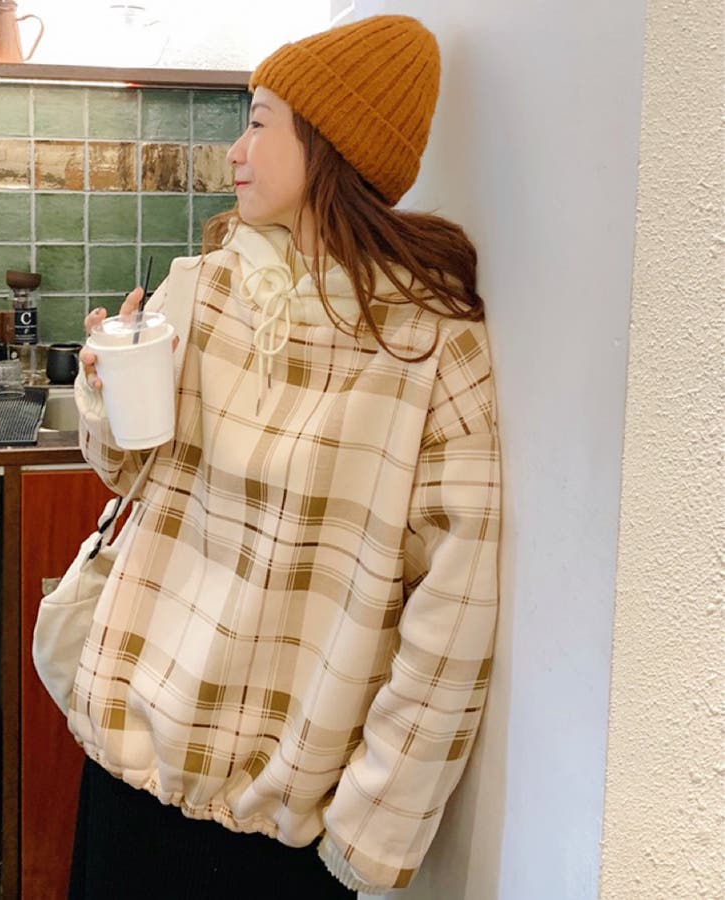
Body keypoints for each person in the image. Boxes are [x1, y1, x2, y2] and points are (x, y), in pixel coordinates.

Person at [69, 14, 501, 898]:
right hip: (125, 763)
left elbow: (455, 615)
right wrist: (105, 393)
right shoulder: (203, 286)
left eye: (260, 122)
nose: (236, 149)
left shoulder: (430, 347)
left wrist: (369, 833)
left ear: (331, 147)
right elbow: (127, 470)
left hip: (277, 833)